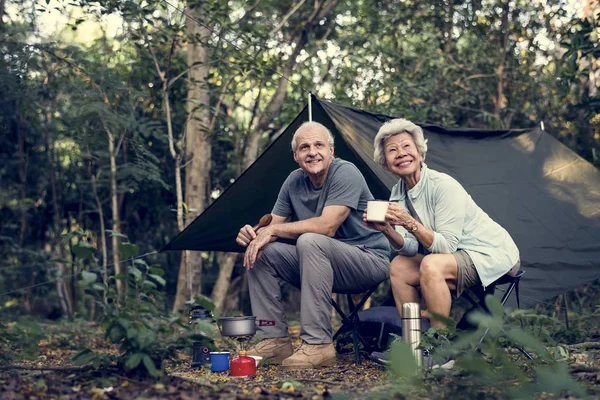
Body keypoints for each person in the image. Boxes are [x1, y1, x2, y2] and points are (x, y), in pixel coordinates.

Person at [236, 121, 390, 370]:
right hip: (319, 262)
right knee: (261, 251)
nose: (312, 152)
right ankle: (274, 339)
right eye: (304, 147)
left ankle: (318, 344)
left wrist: (272, 230)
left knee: (310, 239)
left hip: (368, 260)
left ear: (331, 150)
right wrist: (254, 234)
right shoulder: (293, 181)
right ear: (296, 156)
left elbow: (327, 226)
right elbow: (272, 226)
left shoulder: (345, 172)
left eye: (319, 145)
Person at [364, 118, 520, 328]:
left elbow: (446, 246)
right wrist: (387, 230)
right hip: (453, 259)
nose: (401, 153)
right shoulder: (398, 194)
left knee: (431, 264)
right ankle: (414, 343)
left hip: (490, 252)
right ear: (385, 163)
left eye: (407, 146)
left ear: (420, 153)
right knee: (399, 266)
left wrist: (408, 221)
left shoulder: (443, 185)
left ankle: (439, 347)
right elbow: (409, 247)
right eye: (392, 150)